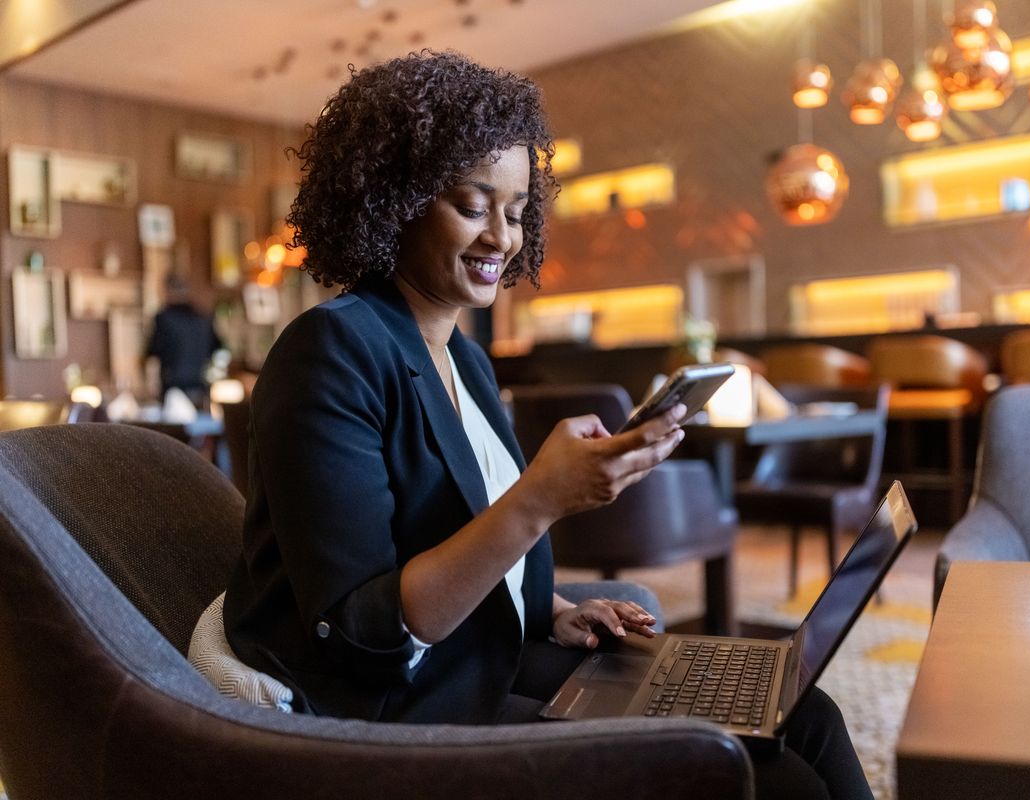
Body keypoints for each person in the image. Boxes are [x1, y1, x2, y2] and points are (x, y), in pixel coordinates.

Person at [220, 51, 872, 799]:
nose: (501, 238)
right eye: (473, 206)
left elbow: (459, 541)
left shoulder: (464, 361)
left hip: (482, 658)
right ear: (396, 199)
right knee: (776, 777)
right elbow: (366, 634)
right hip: (397, 710)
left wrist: (556, 611)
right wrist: (541, 497)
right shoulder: (330, 351)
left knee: (805, 715)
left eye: (517, 211)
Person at [144, 274, 224, 406]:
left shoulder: (164, 319)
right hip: (200, 388)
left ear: (168, 291)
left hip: (173, 389)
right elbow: (218, 349)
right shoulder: (203, 318)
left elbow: (154, 351)